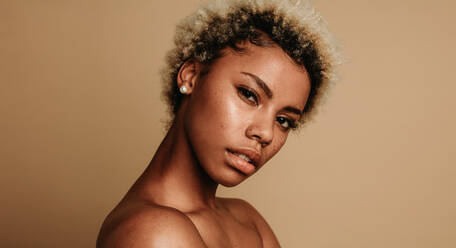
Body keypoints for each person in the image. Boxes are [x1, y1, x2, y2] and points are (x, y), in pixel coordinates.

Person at [96, 0, 340, 247]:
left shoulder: (248, 222)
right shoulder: (153, 234)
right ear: (191, 76)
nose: (265, 133)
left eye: (283, 120)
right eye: (248, 94)